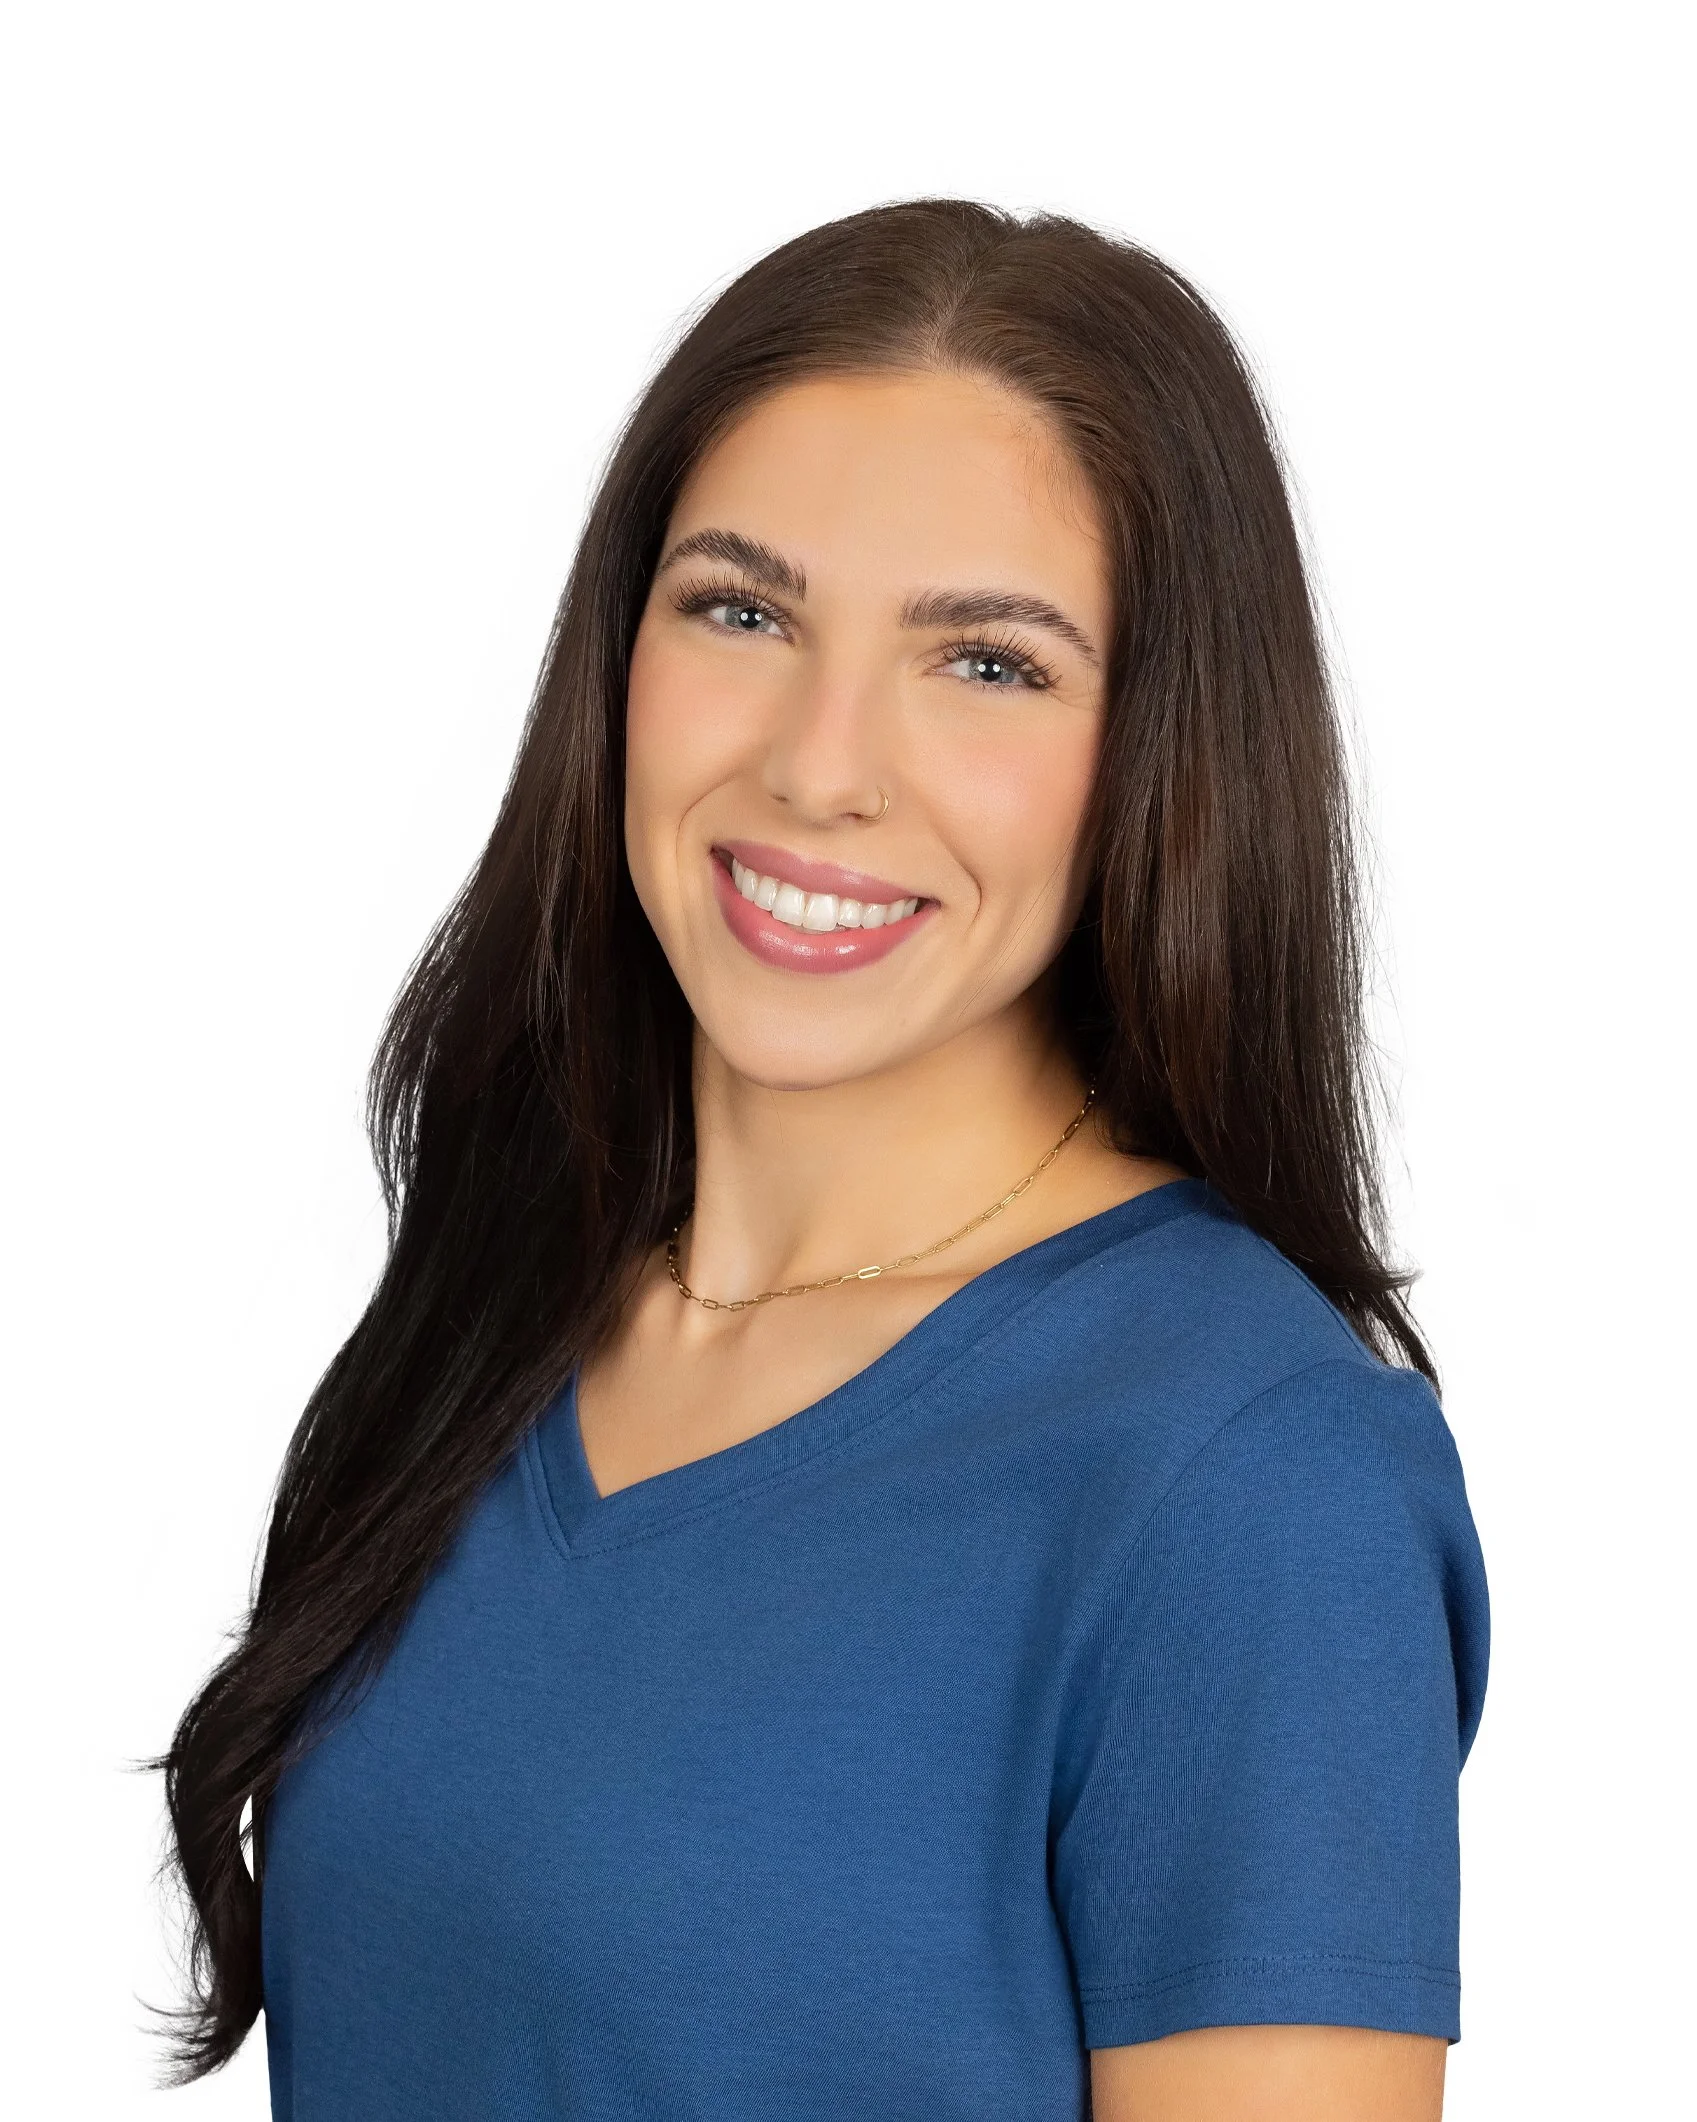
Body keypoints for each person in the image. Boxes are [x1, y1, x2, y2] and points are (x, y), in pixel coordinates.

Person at [158, 199, 1489, 2121]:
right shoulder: (503, 1308)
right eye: (743, 612)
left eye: (989, 664)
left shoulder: (1251, 1477)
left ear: (1163, 750)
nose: (817, 764)